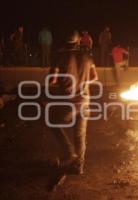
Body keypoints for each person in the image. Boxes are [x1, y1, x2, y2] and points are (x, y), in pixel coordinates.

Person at [49, 38, 98, 175]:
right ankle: (78, 167)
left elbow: (52, 80)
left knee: (52, 122)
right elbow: (95, 77)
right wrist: (82, 83)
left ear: (65, 44)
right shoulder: (87, 57)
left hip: (68, 101)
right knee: (80, 135)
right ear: (78, 43)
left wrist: (59, 82)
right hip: (84, 100)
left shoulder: (60, 57)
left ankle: (69, 152)